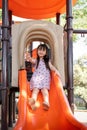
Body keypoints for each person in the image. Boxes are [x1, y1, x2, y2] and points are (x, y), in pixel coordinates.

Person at [25, 44, 60, 111]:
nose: (41, 51)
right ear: (37, 51)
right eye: (40, 50)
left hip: (45, 79)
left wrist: (56, 71)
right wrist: (28, 58)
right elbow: (31, 60)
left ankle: (46, 102)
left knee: (45, 91)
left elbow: (51, 67)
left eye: (43, 50)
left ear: (46, 52)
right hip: (36, 79)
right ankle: (33, 101)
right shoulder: (36, 60)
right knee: (35, 90)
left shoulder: (47, 61)